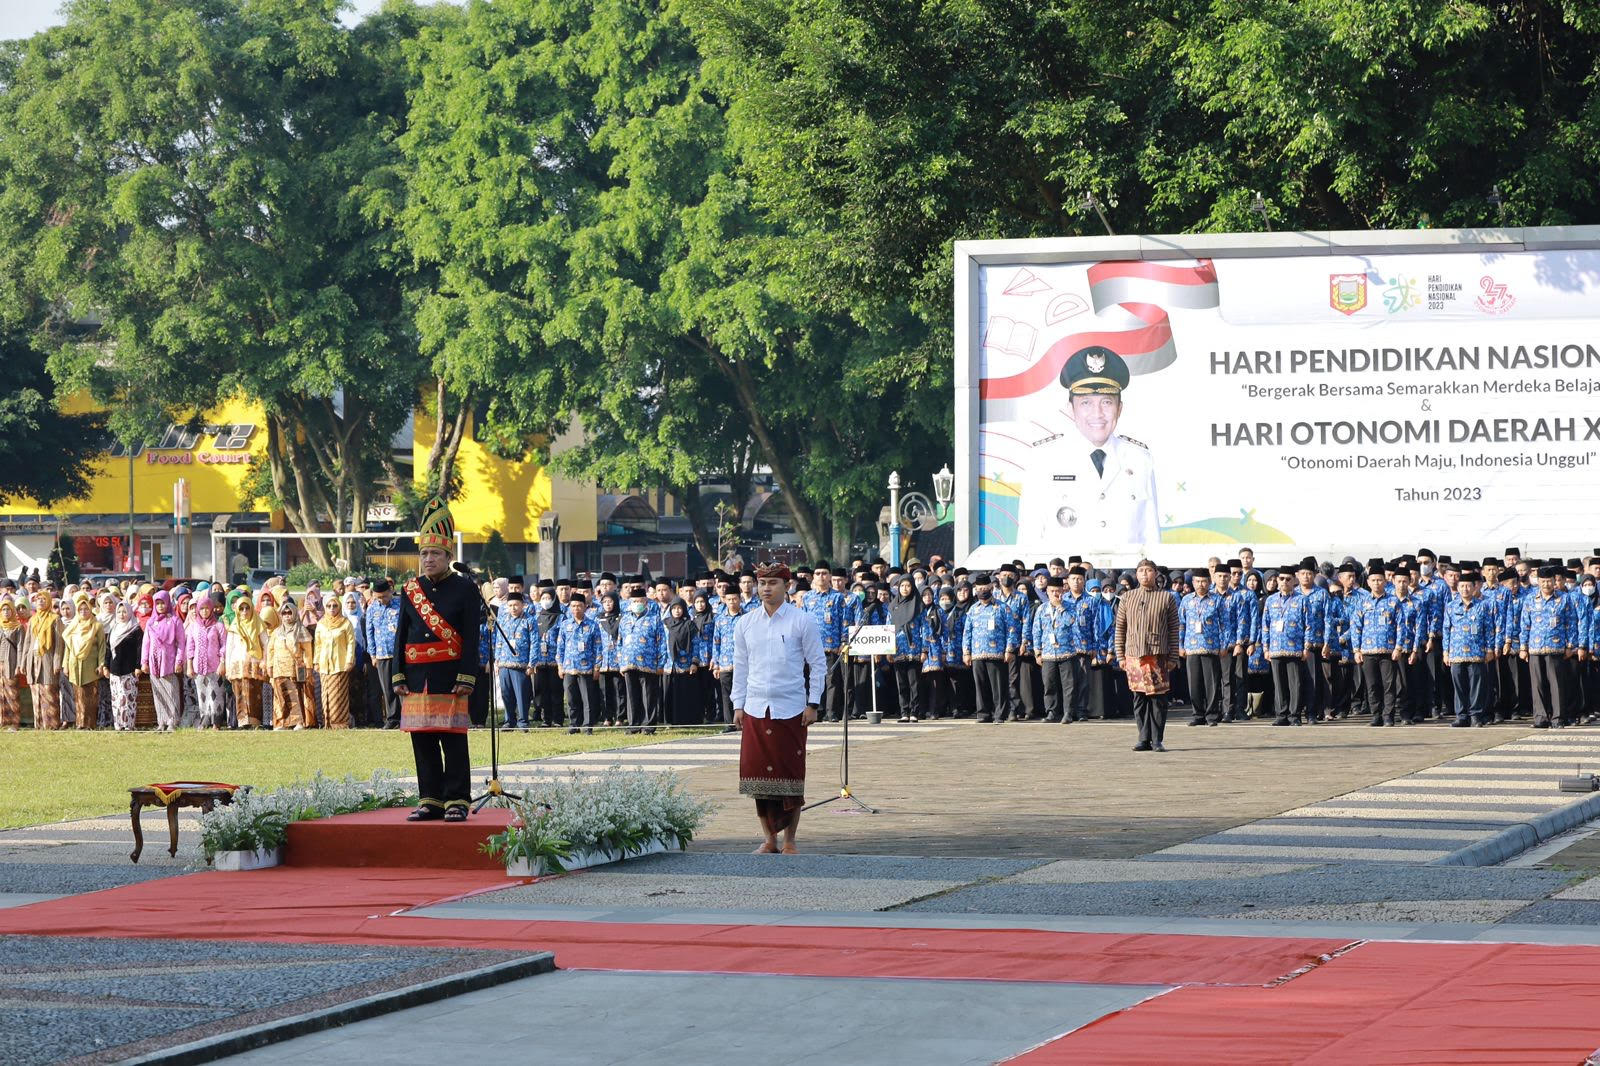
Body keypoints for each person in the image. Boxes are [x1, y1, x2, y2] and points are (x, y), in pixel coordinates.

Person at [1015, 345, 1159, 546]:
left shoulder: (1140, 459)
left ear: (1120, 409)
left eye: (1107, 402)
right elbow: (1029, 540)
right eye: (1086, 403)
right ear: (1071, 409)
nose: (1097, 413)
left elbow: (1150, 538)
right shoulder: (1043, 459)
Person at [393, 498, 480, 822]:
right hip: (417, 676)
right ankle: (430, 799)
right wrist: (398, 676)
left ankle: (457, 799)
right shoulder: (410, 589)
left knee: (452, 739)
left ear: (449, 557)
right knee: (423, 738)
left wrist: (467, 675)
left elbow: (471, 637)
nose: (428, 559)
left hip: (450, 674)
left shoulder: (465, 588)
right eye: (424, 554)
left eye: (435, 554)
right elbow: (401, 634)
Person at [731, 562, 825, 855]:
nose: (766, 588)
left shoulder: (802, 621)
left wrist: (813, 703)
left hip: (791, 708)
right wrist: (738, 704)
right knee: (757, 776)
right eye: (762, 583)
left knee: (790, 775)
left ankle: (790, 840)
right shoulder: (745, 623)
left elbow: (818, 664)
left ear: (787, 586)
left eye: (773, 583)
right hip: (757, 707)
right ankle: (769, 839)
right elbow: (741, 666)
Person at [1113, 559, 1179, 751]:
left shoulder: (1166, 598)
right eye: (1141, 571)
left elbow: (1174, 629)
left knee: (1158, 700)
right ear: (1136, 574)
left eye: (1148, 571)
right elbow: (1120, 628)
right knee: (1139, 698)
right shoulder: (1127, 597)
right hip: (1134, 655)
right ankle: (1143, 738)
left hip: (1158, 656)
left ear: (1155, 573)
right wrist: (1120, 655)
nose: (1144, 574)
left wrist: (1173, 656)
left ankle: (1157, 739)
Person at [1443, 570, 1497, 727]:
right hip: (1456, 652)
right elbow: (1446, 629)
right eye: (1462, 586)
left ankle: (1475, 715)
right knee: (1459, 685)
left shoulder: (1482, 606)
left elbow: (1489, 629)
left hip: (1476, 652)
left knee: (1477, 685)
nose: (1464, 589)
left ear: (1474, 588)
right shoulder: (1451, 607)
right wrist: (1446, 652)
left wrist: (1489, 650)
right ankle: (1461, 715)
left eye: (1468, 586)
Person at [555, 592, 602, 734]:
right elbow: (560, 646)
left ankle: (588, 725)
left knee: (587, 699)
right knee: (571, 699)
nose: (576, 609)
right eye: (573, 606)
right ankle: (574, 724)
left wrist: (597, 666)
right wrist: (560, 665)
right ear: (570, 607)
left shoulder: (593, 625)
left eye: (579, 606)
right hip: (569, 667)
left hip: (586, 668)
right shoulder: (565, 625)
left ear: (585, 607)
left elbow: (598, 647)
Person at [139, 590, 184, 732]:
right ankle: (161, 721)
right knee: (158, 692)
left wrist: (179, 661)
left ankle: (172, 720)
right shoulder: (151, 622)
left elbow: (181, 643)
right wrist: (144, 662)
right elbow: (146, 643)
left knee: (171, 691)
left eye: (162, 603)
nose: (160, 606)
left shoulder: (174, 620)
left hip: (168, 661)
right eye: (157, 603)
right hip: (154, 662)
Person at [62, 591, 106, 731]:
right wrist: (65, 665)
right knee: (78, 696)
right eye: (80, 609)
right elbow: (68, 648)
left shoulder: (96, 626)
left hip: (90, 666)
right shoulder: (73, 626)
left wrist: (101, 664)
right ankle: (80, 723)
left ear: (90, 609)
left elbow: (101, 647)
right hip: (75, 665)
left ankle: (90, 724)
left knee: (90, 696)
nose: (83, 611)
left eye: (86, 608)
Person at [313, 595, 357, 728]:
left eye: (335, 606)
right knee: (325, 694)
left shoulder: (345, 623)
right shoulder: (321, 624)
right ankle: (327, 723)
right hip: (324, 665)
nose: (332, 608)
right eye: (329, 606)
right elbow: (318, 644)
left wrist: (349, 661)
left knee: (338, 695)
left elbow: (351, 643)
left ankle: (340, 723)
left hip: (340, 665)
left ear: (339, 607)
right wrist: (316, 661)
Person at [185, 595, 228, 729]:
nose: (204, 611)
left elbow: (224, 645)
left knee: (216, 695)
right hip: (199, 667)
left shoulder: (218, 626)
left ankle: (216, 722)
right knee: (202, 695)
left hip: (215, 667)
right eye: (201, 609)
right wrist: (190, 666)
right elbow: (190, 647)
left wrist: (222, 663)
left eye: (207, 608)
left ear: (211, 609)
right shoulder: (194, 627)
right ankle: (204, 720)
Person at [224, 596, 266, 729]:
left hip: (254, 664)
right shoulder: (234, 626)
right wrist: (228, 668)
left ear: (251, 608)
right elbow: (229, 649)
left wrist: (265, 661)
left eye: (247, 608)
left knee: (254, 694)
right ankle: (242, 721)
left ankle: (255, 722)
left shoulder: (258, 623)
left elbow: (266, 644)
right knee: (239, 694)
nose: (244, 611)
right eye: (241, 608)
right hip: (238, 665)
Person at [0, 597, 25, 730]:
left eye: (8, 609)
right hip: (0, 662)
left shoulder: (18, 627)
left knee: (12, 693)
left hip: (12, 662)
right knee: (2, 692)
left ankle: (15, 723)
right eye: (3, 609)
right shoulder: (0, 625)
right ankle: (4, 720)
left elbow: (21, 647)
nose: (5, 612)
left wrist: (19, 665)